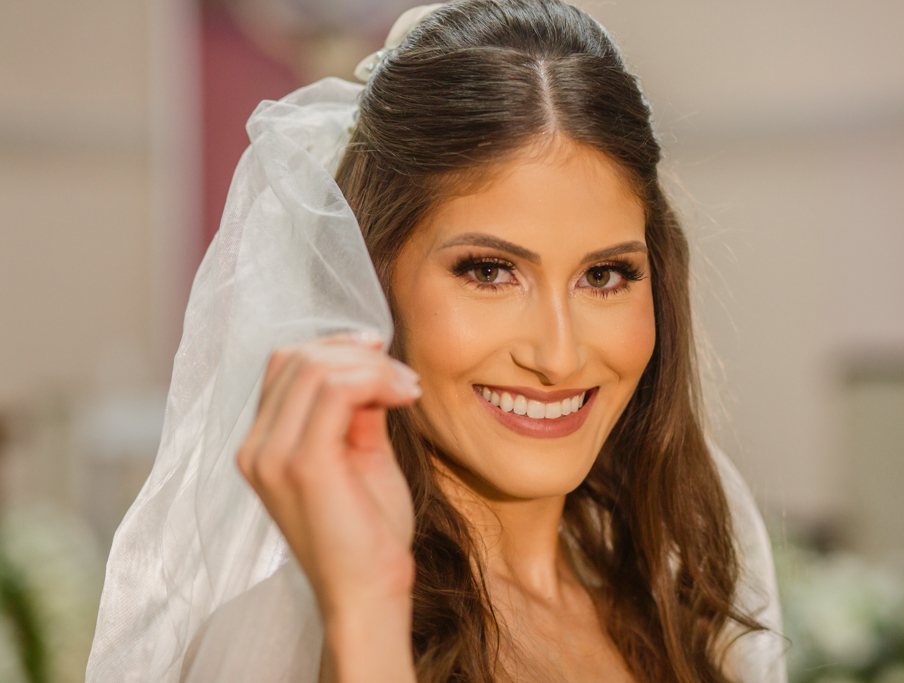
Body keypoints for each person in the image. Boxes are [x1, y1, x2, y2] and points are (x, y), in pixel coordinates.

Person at [86, 2, 787, 682]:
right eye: (489, 271)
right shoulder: (290, 637)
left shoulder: (686, 619)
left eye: (603, 275)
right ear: (370, 275)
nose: (559, 356)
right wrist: (365, 612)